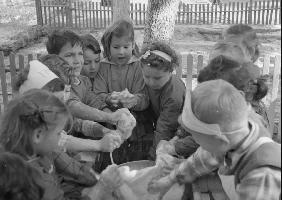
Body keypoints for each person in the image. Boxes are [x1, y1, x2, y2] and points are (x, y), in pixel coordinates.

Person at [148, 80, 281, 200]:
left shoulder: (262, 173)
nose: (197, 144)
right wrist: (169, 179)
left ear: (220, 140)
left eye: (198, 140)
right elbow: (200, 160)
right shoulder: (232, 135)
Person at [0, 89, 137, 200]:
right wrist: (100, 188)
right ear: (38, 134)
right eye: (59, 133)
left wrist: (98, 179)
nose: (62, 137)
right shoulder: (21, 178)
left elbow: (73, 168)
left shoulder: (40, 150)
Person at [93, 19, 153, 166]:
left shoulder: (139, 66)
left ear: (133, 45)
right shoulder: (102, 67)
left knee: (137, 154)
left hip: (137, 121)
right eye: (116, 47)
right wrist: (108, 98)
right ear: (108, 47)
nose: (121, 51)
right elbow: (96, 94)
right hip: (109, 119)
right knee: (110, 155)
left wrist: (134, 100)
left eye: (126, 46)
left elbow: (145, 98)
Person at [45, 29, 123, 124]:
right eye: (69, 55)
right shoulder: (54, 84)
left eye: (80, 54)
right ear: (54, 59)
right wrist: (109, 117)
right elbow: (73, 106)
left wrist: (110, 114)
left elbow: (94, 101)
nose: (77, 61)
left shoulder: (84, 81)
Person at [140, 41, 186, 159]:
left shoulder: (173, 93)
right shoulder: (149, 84)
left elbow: (166, 126)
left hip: (182, 131)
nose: (151, 82)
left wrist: (154, 155)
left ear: (171, 71)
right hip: (164, 125)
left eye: (157, 78)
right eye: (147, 77)